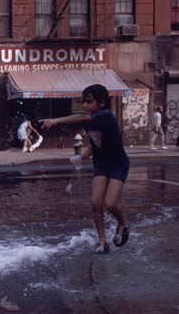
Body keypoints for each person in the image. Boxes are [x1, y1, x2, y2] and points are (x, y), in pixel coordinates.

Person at [40, 84, 129, 254]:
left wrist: (55, 121)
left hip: (118, 164)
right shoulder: (90, 123)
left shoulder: (106, 115)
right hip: (102, 165)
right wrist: (81, 158)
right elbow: (97, 144)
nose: (86, 106)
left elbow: (81, 117)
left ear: (102, 103)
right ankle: (102, 242)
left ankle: (123, 223)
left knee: (109, 204)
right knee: (95, 203)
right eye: (84, 102)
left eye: (89, 102)